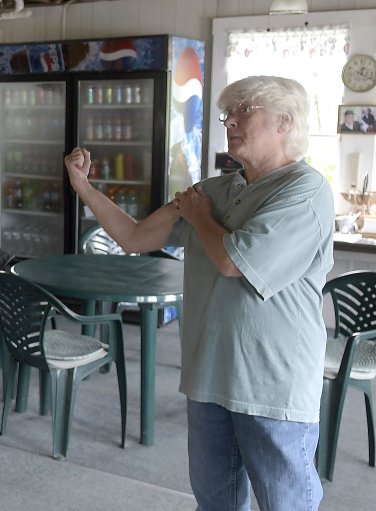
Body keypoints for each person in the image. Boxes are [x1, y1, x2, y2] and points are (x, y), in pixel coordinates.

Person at [64, 76, 331, 511]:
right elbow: (133, 237)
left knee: (285, 504)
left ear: (285, 122)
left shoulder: (304, 190)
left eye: (246, 110)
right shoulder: (214, 189)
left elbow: (234, 262)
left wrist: (201, 216)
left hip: (272, 385)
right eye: (229, 112)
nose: (231, 121)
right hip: (209, 376)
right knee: (214, 502)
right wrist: (85, 188)